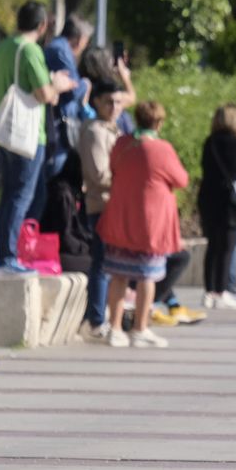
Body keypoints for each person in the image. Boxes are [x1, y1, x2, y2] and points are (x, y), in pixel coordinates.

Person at [0, 1, 75, 274]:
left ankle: (9, 252)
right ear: (42, 25)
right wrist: (58, 84)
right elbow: (44, 95)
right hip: (27, 135)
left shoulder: (3, 48)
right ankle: (7, 256)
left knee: (15, 194)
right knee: (20, 195)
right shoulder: (31, 50)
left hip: (5, 131)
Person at [96, 101, 188, 348]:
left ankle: (114, 328)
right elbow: (181, 179)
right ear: (158, 123)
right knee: (147, 276)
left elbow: (113, 168)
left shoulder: (122, 144)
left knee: (119, 274)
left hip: (121, 216)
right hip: (150, 223)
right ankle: (140, 327)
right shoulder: (161, 148)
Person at [198, 104, 236, 312]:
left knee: (213, 247)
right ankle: (221, 291)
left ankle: (209, 292)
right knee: (227, 247)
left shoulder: (209, 142)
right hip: (230, 203)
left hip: (208, 198)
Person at [78, 86, 126, 338]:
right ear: (96, 102)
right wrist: (128, 180)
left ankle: (103, 314)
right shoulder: (95, 131)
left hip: (115, 204)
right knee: (102, 263)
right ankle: (96, 320)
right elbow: (98, 173)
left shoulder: (113, 129)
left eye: (119, 102)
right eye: (109, 102)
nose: (115, 107)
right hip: (102, 204)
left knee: (112, 263)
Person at [43, 15, 93, 184]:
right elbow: (72, 89)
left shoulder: (58, 47)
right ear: (80, 40)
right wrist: (85, 85)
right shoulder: (61, 50)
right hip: (58, 125)